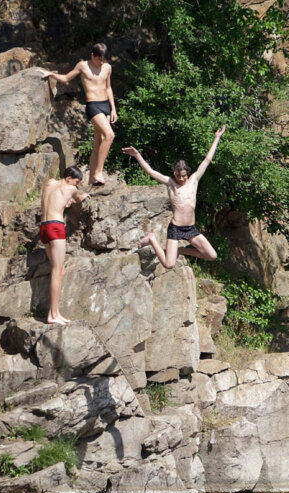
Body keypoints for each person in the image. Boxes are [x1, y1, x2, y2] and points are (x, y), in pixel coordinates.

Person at [122, 126, 226, 269]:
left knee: (211, 255)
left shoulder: (194, 180)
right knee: (169, 264)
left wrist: (217, 138)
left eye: (184, 175)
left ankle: (181, 250)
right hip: (176, 228)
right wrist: (137, 155)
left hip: (190, 229)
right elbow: (151, 172)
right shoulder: (170, 183)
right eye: (179, 176)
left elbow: (207, 160)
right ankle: (152, 240)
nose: (182, 179)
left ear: (188, 173)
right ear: (174, 173)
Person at [38, 43, 117, 186]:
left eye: (103, 59)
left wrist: (113, 109)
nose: (101, 62)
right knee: (109, 135)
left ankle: (92, 179)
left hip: (105, 104)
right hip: (93, 105)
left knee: (98, 142)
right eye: (99, 59)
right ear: (92, 55)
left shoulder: (107, 68)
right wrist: (51, 74)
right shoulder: (83, 66)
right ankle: (99, 172)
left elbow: (108, 87)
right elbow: (67, 78)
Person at [39, 166, 89, 325]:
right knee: (58, 270)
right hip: (55, 226)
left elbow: (57, 199)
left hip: (44, 228)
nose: (77, 186)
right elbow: (77, 199)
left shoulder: (50, 183)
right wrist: (82, 195)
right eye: (76, 182)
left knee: (60, 271)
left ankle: (55, 313)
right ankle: (53, 314)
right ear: (68, 178)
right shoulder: (70, 188)